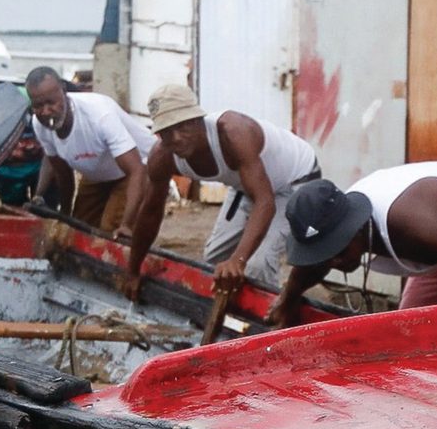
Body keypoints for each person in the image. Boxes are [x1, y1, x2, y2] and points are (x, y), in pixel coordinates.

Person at [125, 84, 320, 299]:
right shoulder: (162, 157)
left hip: (295, 180)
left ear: (198, 119)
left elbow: (265, 202)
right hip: (247, 185)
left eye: (182, 126)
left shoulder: (234, 132)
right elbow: (150, 212)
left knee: (257, 265)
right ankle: (227, 307)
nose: (176, 138)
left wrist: (238, 260)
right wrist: (133, 270)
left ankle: (268, 315)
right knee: (214, 259)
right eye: (167, 132)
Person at [265, 162, 437, 327]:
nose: (335, 262)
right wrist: (288, 299)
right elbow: (313, 265)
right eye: (326, 254)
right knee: (410, 330)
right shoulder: (336, 215)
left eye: (339, 250)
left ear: (355, 227)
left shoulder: (415, 226)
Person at [24, 65, 154, 232]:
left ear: (63, 91)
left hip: (136, 168)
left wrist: (126, 225)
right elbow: (63, 174)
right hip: (98, 172)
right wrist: (65, 215)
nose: (46, 111)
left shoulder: (99, 115)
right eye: (38, 106)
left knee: (109, 231)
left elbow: (136, 170)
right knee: (79, 229)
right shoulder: (39, 124)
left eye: (51, 103)